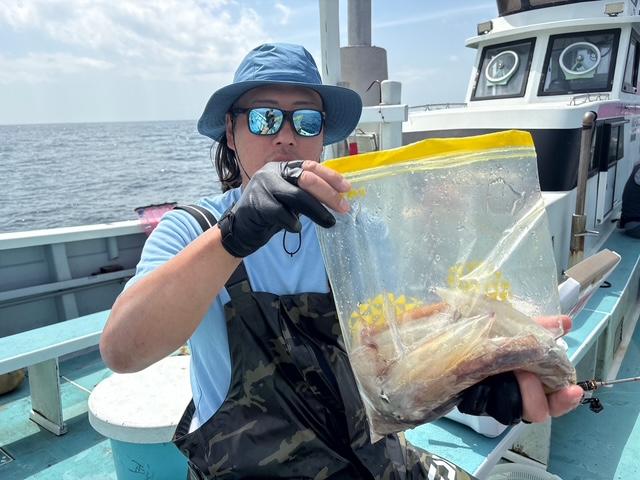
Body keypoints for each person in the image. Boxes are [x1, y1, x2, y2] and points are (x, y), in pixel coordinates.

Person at [100, 43, 583, 479]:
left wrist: (478, 368)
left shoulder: (359, 228)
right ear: (231, 131)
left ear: (322, 135)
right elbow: (123, 352)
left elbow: (404, 347)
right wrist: (233, 236)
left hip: (369, 460)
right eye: (264, 118)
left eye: (306, 121)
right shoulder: (193, 231)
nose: (286, 136)